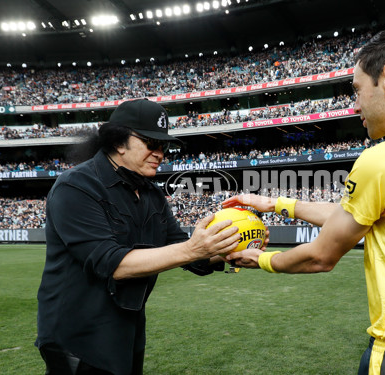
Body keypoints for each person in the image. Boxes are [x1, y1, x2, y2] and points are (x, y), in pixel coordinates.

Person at [224, 25, 385, 374]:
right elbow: (365, 215)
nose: (354, 103)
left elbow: (321, 257)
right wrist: (275, 205)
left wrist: (262, 260)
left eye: (358, 89)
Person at [35, 99, 241, 375]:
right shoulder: (76, 186)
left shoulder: (152, 194)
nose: (160, 153)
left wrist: (230, 250)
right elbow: (113, 264)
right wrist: (194, 249)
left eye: (163, 145)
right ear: (119, 142)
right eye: (150, 143)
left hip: (127, 328)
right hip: (77, 335)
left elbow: (181, 248)